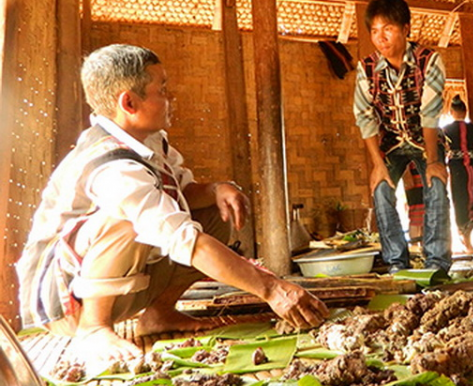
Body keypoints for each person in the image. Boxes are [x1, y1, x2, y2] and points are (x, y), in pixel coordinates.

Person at [16, 44, 329, 365]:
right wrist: (272, 289)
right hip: (67, 302)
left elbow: (181, 194)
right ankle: (94, 327)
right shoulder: (113, 168)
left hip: (120, 283)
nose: (171, 97)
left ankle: (158, 313)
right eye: (162, 89)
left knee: (214, 214)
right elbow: (185, 241)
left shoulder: (149, 141)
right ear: (129, 102)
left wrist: (218, 189)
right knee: (127, 221)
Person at [353, 0, 451, 273]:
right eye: (374, 30)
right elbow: (365, 117)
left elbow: (429, 114)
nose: (380, 37)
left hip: (426, 142)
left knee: (436, 186)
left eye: (388, 28)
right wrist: (377, 164)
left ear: (405, 29)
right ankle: (396, 263)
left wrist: (433, 161)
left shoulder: (428, 61)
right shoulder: (367, 68)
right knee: (381, 189)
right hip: (391, 145)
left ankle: (437, 263)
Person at [443, 95, 473, 254]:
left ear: (451, 111)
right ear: (465, 111)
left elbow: (444, 150)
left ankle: (467, 244)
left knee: (460, 202)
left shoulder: (446, 130)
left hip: (457, 169)